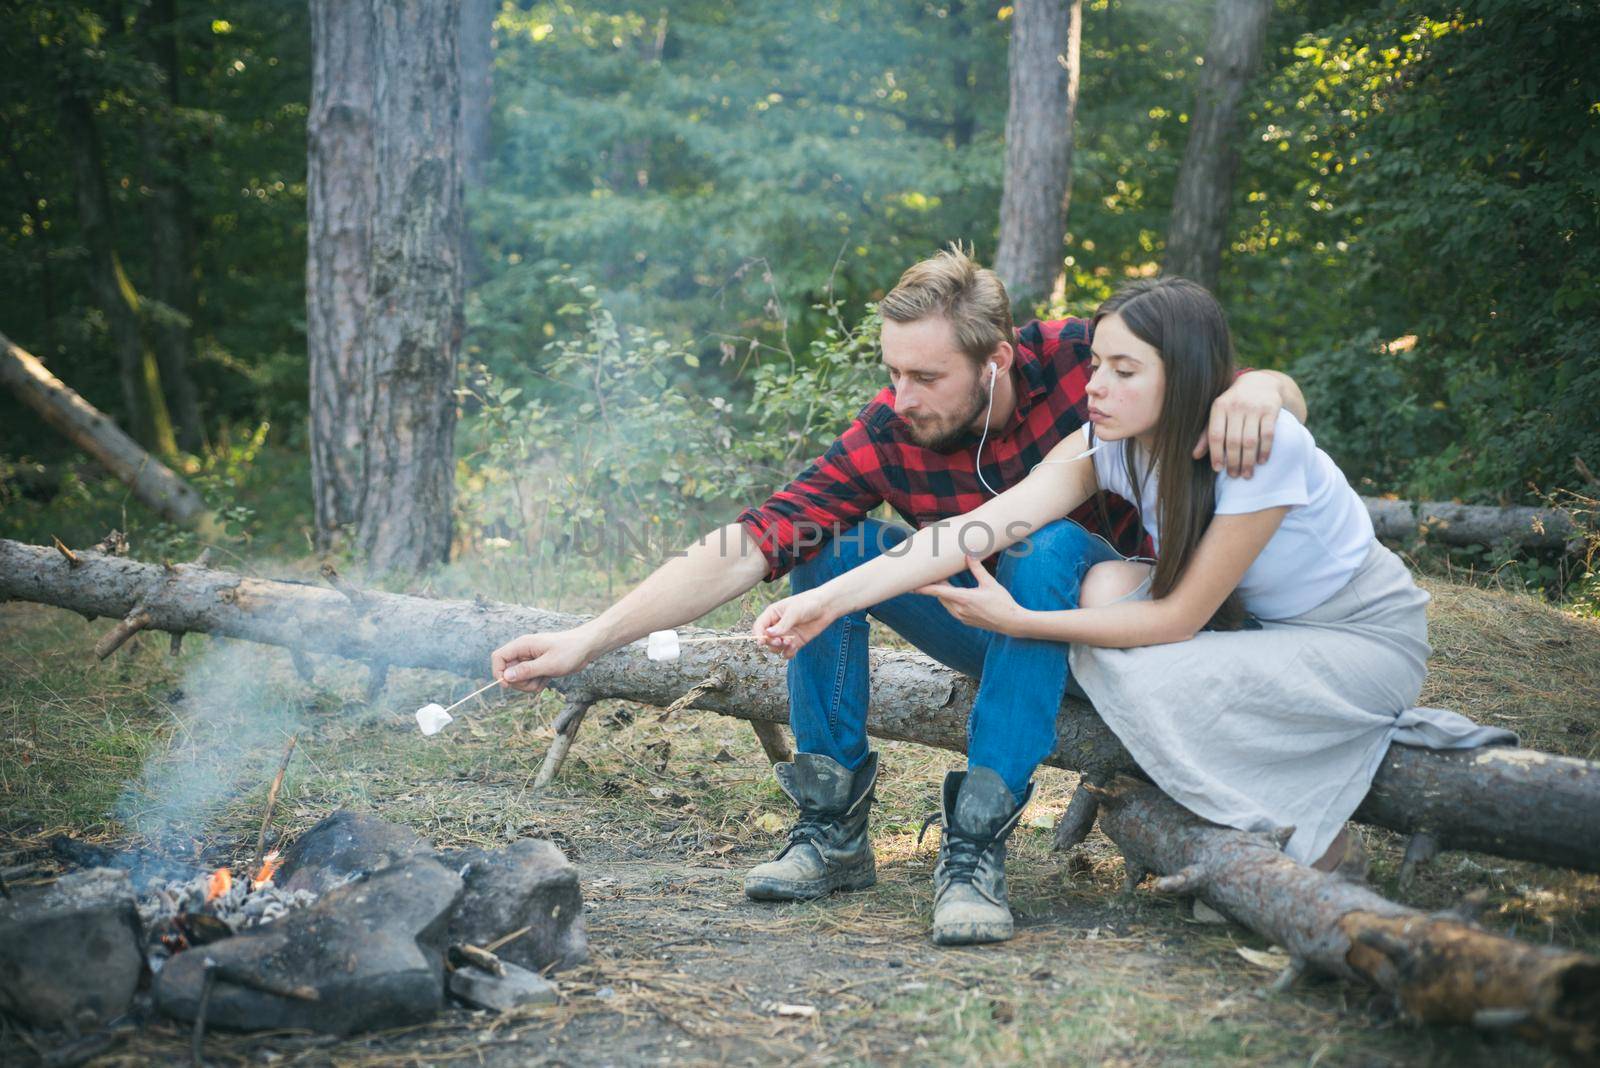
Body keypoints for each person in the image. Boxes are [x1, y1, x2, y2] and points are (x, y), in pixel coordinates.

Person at [492, 248, 1308, 946]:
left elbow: (1233, 385)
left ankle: (978, 844)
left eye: (925, 376)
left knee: (1048, 544)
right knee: (826, 547)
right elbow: (751, 541)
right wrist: (590, 639)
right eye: (891, 372)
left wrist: (1264, 387)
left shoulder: (1085, 365)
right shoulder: (891, 430)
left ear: (996, 361)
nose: (901, 396)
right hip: (989, 630)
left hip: (1118, 639)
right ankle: (833, 828)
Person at [754, 276, 1515, 891]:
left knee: (1126, 648)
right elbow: (979, 529)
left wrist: (1019, 620)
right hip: (1249, 629)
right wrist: (826, 598)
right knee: (1074, 598)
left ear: (1180, 375)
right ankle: (835, 829)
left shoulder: (1258, 447)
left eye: (1124, 370)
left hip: (1354, 636)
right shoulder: (1106, 443)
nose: (1096, 387)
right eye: (1095, 366)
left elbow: (1178, 618)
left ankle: (1308, 846)